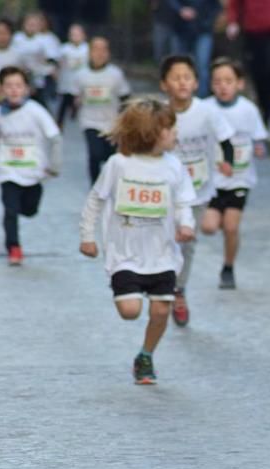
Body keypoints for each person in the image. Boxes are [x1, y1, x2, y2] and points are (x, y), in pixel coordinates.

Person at [79, 98, 197, 385]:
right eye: (170, 129)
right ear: (151, 133)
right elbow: (95, 199)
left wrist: (186, 225)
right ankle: (127, 291)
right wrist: (87, 236)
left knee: (160, 310)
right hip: (125, 253)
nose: (175, 134)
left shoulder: (174, 166)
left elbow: (184, 203)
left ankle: (145, 356)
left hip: (163, 253)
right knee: (130, 311)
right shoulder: (119, 164)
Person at [159, 54, 235, 326]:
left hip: (198, 190)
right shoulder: (158, 113)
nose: (182, 82)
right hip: (164, 191)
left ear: (195, 83)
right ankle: (161, 284)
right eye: (175, 77)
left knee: (187, 242)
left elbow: (227, 139)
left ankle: (179, 291)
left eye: (187, 77)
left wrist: (228, 161)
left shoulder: (207, 111)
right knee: (166, 239)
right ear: (164, 84)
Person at [202, 57, 267, 289]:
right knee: (209, 227)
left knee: (231, 227)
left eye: (228, 81)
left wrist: (260, 147)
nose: (223, 86)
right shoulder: (205, 109)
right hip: (211, 180)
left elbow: (258, 137)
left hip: (240, 178)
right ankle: (218, 216)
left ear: (239, 83)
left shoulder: (248, 109)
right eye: (217, 81)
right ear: (211, 84)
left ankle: (228, 268)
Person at [0, 66, 61, 266]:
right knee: (9, 211)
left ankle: (22, 210)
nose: (13, 90)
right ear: (1, 89)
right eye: (8, 86)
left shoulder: (36, 111)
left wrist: (54, 165)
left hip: (33, 172)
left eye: (18, 86)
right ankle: (14, 248)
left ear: (26, 89)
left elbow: (55, 137)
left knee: (29, 210)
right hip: (7, 170)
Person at [72, 36, 131, 185]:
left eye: (103, 49)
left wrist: (126, 121)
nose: (100, 53)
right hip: (89, 121)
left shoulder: (115, 74)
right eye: (96, 49)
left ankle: (110, 185)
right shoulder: (80, 75)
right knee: (95, 154)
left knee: (110, 157)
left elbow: (125, 97)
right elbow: (73, 96)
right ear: (90, 52)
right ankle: (94, 187)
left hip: (112, 122)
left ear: (108, 53)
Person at [169, 0, 221, 97]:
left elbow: (216, 7)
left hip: (203, 30)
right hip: (181, 30)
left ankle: (202, 99)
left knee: (202, 66)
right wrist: (180, 10)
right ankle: (179, 97)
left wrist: (207, 21)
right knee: (178, 66)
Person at [12, 12, 60, 108]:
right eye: (29, 24)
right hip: (20, 77)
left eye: (34, 25)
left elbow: (51, 59)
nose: (31, 27)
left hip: (38, 80)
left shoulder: (43, 40)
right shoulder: (17, 38)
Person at [56, 23, 87, 128]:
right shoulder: (64, 49)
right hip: (67, 83)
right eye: (73, 34)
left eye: (78, 34)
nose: (75, 37)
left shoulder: (87, 49)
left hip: (81, 84)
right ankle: (59, 125)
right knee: (64, 104)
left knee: (79, 103)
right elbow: (59, 64)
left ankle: (78, 115)